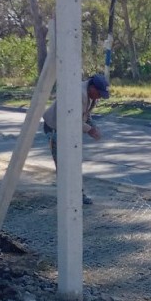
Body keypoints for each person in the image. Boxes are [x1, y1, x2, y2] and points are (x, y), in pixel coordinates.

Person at [42, 74, 110, 205]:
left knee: (73, 162)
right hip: (55, 127)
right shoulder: (77, 94)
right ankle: (68, 197)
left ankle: (77, 194)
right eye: (99, 93)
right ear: (92, 87)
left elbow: (85, 114)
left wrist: (94, 126)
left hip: (69, 129)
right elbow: (71, 119)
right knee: (64, 165)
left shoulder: (90, 94)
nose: (100, 97)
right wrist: (90, 130)